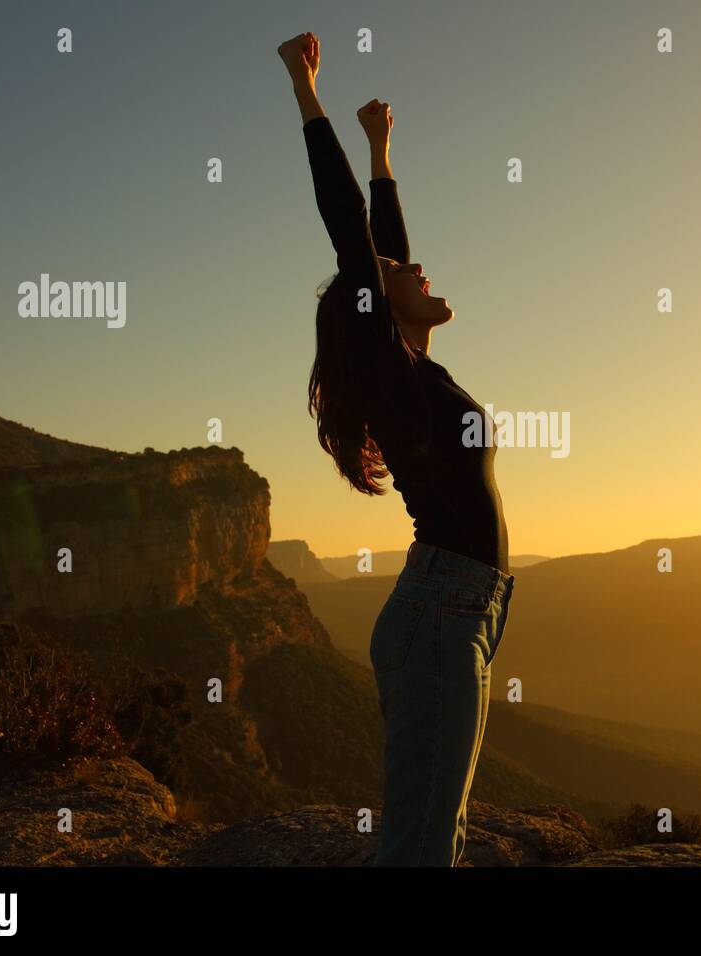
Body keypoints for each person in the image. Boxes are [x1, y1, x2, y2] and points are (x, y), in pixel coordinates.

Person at [278, 31, 515, 867]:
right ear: (378, 304)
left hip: (459, 610)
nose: (417, 272)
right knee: (421, 841)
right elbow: (354, 237)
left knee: (432, 831)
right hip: (442, 614)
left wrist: (384, 153)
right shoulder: (392, 367)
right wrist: (306, 91)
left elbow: (384, 246)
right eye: (397, 276)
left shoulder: (412, 368)